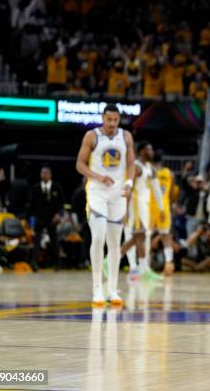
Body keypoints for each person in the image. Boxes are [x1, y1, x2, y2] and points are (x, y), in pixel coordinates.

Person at [75, 104, 135, 307]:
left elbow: (131, 164)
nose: (111, 124)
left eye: (115, 120)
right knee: (98, 236)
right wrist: (98, 176)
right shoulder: (92, 136)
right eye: (108, 120)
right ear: (103, 118)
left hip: (118, 194)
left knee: (115, 243)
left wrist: (129, 184)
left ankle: (112, 289)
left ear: (119, 120)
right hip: (97, 192)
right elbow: (80, 164)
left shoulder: (126, 137)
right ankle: (97, 288)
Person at [120, 141, 165, 282]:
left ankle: (144, 268)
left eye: (151, 149)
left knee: (144, 237)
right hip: (134, 206)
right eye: (148, 149)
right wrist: (125, 209)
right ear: (141, 151)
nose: (151, 152)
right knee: (132, 236)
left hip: (144, 207)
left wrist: (162, 208)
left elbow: (157, 190)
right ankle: (134, 268)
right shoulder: (136, 167)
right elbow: (128, 188)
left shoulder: (149, 168)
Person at [29, 166, 64, 271]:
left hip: (52, 218)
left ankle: (57, 263)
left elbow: (61, 204)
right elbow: (31, 205)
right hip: (39, 218)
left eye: (46, 173)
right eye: (42, 173)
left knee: (54, 241)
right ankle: (34, 263)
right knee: (37, 241)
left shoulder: (57, 187)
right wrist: (31, 219)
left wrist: (59, 214)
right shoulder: (35, 188)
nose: (44, 175)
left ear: (50, 175)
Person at [150, 149, 177, 276]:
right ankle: (169, 263)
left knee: (143, 236)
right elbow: (172, 193)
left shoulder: (149, 171)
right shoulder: (169, 173)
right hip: (164, 207)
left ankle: (144, 266)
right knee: (166, 236)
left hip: (150, 207)